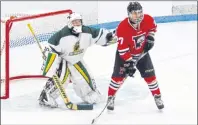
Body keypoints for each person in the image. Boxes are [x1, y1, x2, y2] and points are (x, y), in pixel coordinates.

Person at [38, 12, 116, 108]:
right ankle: (46, 96)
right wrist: (51, 60)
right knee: (62, 78)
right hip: (63, 59)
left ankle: (89, 95)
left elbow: (98, 34)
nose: (77, 24)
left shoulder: (86, 31)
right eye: (74, 22)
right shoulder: (63, 34)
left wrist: (108, 37)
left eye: (78, 21)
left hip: (76, 59)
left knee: (84, 78)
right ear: (70, 24)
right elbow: (51, 46)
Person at [107, 2, 164, 111]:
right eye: (134, 13)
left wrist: (150, 38)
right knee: (117, 78)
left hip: (142, 53)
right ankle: (111, 97)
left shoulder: (148, 19)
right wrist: (129, 64)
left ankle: (157, 96)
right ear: (129, 14)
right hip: (125, 55)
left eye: (139, 12)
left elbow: (153, 28)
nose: (138, 16)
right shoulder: (123, 27)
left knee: (150, 76)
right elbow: (123, 50)